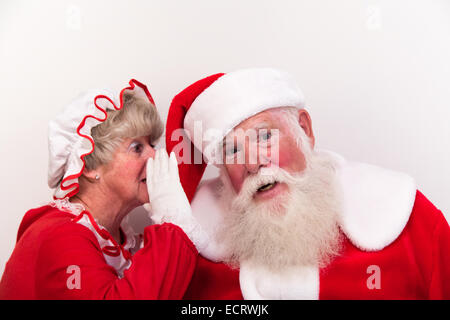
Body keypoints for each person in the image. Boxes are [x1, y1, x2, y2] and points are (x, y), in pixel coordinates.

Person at [165, 68, 450, 299]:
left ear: (304, 129)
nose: (252, 164)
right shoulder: (192, 254)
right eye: (233, 151)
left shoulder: (405, 217)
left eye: (264, 137)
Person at [0, 79, 207, 299]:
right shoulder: (59, 236)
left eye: (152, 145)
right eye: (137, 148)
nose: (154, 156)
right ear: (89, 165)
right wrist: (172, 220)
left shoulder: (120, 241)